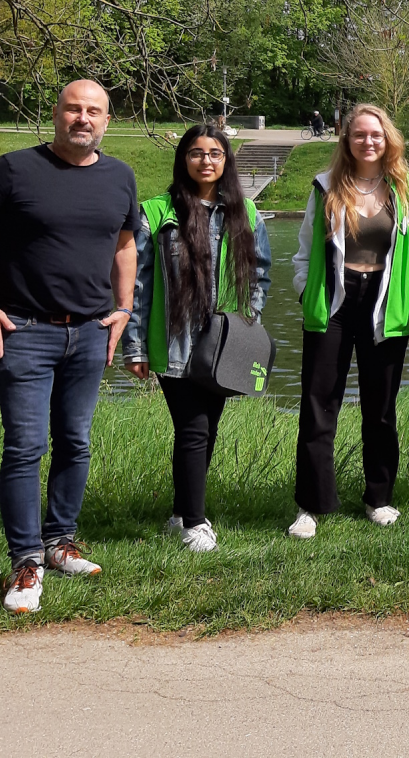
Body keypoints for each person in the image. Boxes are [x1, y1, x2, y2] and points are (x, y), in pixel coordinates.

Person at [0, 80, 140, 614]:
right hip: (23, 331)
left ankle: (60, 543)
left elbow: (125, 245)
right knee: (24, 447)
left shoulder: (120, 175)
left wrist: (124, 308)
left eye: (93, 111)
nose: (82, 118)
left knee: (75, 441)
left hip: (88, 331)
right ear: (55, 114)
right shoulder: (13, 169)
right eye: (72, 108)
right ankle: (25, 562)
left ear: (107, 120)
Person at [121, 126, 271, 553]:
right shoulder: (155, 212)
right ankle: (195, 523)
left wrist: (247, 323)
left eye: (215, 153)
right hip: (173, 342)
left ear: (226, 161)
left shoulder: (246, 213)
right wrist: (134, 347)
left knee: (207, 429)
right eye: (196, 153)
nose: (206, 161)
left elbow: (260, 273)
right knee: (193, 427)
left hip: (224, 344)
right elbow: (136, 287)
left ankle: (180, 512)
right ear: (183, 160)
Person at [288, 104, 409, 540]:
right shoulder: (325, 187)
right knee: (318, 405)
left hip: (384, 306)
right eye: (359, 134)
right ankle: (311, 505)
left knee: (380, 409)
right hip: (333, 303)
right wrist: (304, 290)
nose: (369, 141)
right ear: (346, 140)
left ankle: (378, 498)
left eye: (377, 135)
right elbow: (305, 251)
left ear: (389, 140)